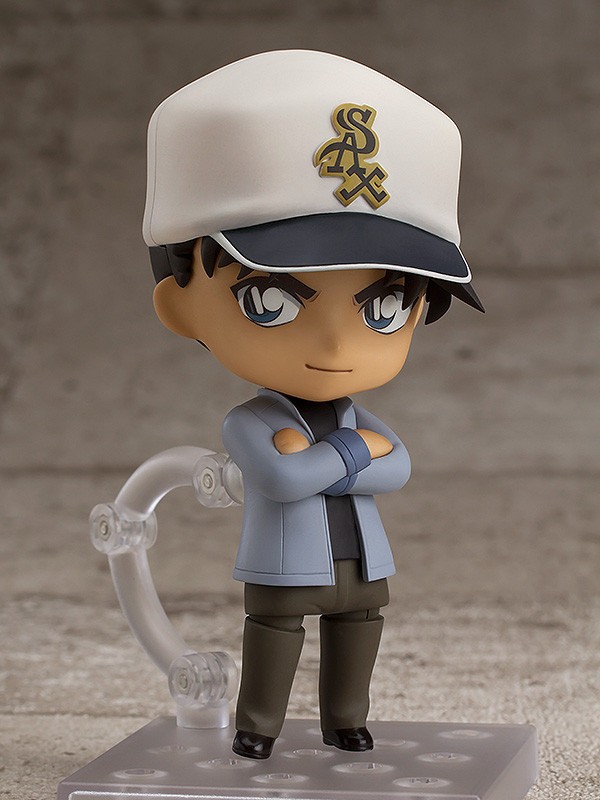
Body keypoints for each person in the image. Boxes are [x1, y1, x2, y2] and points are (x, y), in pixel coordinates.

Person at [144, 50, 484, 759]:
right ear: (180, 306)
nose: (334, 343)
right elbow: (282, 477)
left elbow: (398, 467)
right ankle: (257, 727)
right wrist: (354, 453)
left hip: (360, 565)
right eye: (269, 301)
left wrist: (329, 457)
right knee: (275, 638)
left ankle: (346, 720)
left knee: (359, 634)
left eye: (385, 307)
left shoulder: (345, 418)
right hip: (285, 565)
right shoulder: (253, 421)